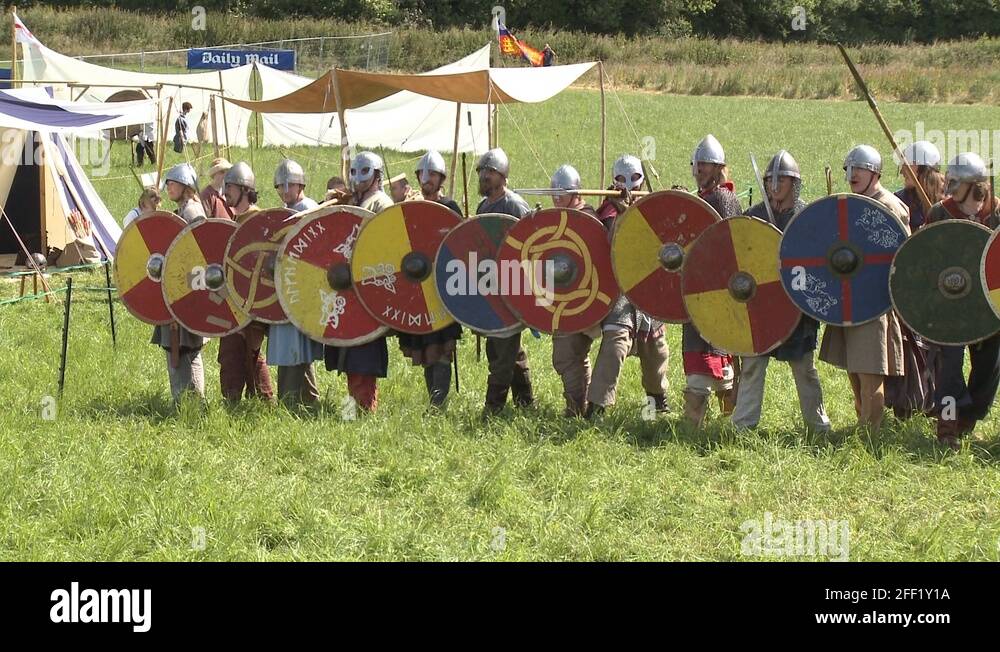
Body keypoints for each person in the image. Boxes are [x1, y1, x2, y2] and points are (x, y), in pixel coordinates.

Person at [731, 150, 831, 432]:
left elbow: (819, 262)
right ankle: (743, 426)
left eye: (782, 180)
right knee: (752, 365)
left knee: (804, 369)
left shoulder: (806, 217)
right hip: (760, 303)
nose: (775, 185)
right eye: (770, 179)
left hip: (796, 306)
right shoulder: (754, 216)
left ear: (794, 183)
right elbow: (739, 256)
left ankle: (818, 426)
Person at [819, 145, 910, 432]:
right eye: (849, 169)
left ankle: (872, 429)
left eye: (858, 169)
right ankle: (862, 419)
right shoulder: (851, 202)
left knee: (871, 369)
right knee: (853, 366)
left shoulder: (889, 205)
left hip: (874, 301)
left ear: (874, 172)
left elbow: (901, 254)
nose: (851, 174)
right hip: (849, 296)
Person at [923, 152, 1000, 449]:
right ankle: (948, 426)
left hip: (987, 306)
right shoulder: (940, 213)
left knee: (989, 366)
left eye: (957, 182)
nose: (950, 186)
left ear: (974, 185)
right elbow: (925, 258)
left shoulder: (995, 214)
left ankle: (969, 415)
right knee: (950, 370)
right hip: (950, 304)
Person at [585, 155, 671, 419]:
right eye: (622, 179)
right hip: (620, 289)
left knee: (655, 352)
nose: (629, 186)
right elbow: (611, 247)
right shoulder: (609, 212)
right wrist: (622, 213)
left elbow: (661, 244)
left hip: (648, 286)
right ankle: (597, 408)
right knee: (615, 343)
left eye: (634, 179)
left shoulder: (653, 208)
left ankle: (656, 407)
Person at [323, 152, 393, 413]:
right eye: (354, 172)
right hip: (348, 286)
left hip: (369, 286)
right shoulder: (357, 200)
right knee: (351, 353)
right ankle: (352, 407)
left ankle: (364, 409)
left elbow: (383, 245)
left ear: (376, 174)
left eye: (364, 172)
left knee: (365, 352)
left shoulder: (381, 203)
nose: (357, 177)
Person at [396, 150, 463, 409]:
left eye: (432, 174)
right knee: (425, 347)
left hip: (443, 287)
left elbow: (460, 245)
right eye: (422, 174)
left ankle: (439, 403)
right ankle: (433, 401)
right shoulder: (411, 209)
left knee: (442, 346)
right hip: (417, 285)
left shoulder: (449, 208)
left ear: (441, 178)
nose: (427, 179)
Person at [683, 135, 741, 426]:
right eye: (698, 164)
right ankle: (710, 422)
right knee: (703, 349)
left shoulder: (723, 197)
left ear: (719, 168)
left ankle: (712, 424)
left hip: (718, 290)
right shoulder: (702, 198)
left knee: (715, 349)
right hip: (697, 287)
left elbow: (728, 243)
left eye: (706, 164)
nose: (701, 168)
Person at [475, 147, 534, 416]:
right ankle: (525, 402)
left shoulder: (514, 205)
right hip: (491, 288)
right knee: (507, 348)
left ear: (502, 174)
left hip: (512, 288)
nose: (484, 176)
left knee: (502, 349)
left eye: (489, 172)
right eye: (481, 171)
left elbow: (531, 246)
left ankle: (493, 408)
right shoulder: (483, 206)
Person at [544, 164, 602, 416]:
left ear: (576, 192)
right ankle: (580, 405)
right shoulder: (563, 216)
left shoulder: (587, 218)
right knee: (574, 355)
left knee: (567, 355)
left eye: (562, 191)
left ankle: (577, 408)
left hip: (585, 298)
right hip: (567, 297)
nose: (556, 196)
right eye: (554, 191)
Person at [219, 161, 275, 404]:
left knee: (249, 352)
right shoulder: (238, 220)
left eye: (229, 186)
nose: (224, 192)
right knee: (232, 353)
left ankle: (263, 400)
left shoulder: (257, 220)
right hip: (235, 299)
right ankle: (234, 400)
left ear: (243, 188)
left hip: (252, 300)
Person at [269, 159, 324, 407]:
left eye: (287, 186)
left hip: (303, 286)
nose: (283, 191)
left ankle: (290, 400)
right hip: (289, 285)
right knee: (296, 348)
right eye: (279, 187)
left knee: (295, 347)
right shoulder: (289, 210)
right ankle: (308, 398)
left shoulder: (308, 209)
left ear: (299, 184)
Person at [151, 164, 206, 403]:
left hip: (187, 290)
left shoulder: (193, 213)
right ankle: (182, 401)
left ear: (185, 185)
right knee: (175, 345)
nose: (167, 187)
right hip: (174, 289)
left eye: (172, 182)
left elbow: (200, 254)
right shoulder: (182, 211)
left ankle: (194, 402)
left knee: (186, 347)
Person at [895, 140, 946, 230]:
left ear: (919, 166)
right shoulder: (900, 200)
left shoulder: (950, 198)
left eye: (906, 165)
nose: (902, 172)